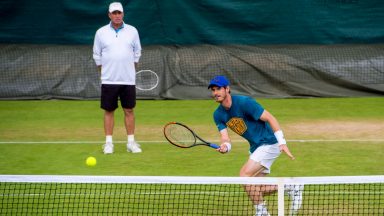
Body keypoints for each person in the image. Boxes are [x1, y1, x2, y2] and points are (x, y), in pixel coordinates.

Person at [208, 75, 303, 216]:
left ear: (227, 89)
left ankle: (262, 212)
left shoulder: (245, 103)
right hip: (256, 147)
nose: (215, 93)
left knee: (244, 176)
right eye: (213, 90)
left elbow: (270, 118)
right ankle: (290, 186)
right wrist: (225, 147)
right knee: (254, 186)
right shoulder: (218, 115)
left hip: (269, 142)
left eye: (219, 89)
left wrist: (282, 142)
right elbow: (225, 138)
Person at [93, 2, 142, 154]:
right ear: (109, 15)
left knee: (129, 110)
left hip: (128, 80)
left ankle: (131, 143)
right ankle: (108, 143)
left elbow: (137, 52)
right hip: (109, 80)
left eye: (119, 13)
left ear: (123, 14)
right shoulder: (101, 32)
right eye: (114, 13)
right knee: (109, 111)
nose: (117, 15)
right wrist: (105, 73)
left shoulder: (132, 31)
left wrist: (129, 70)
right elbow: (96, 55)